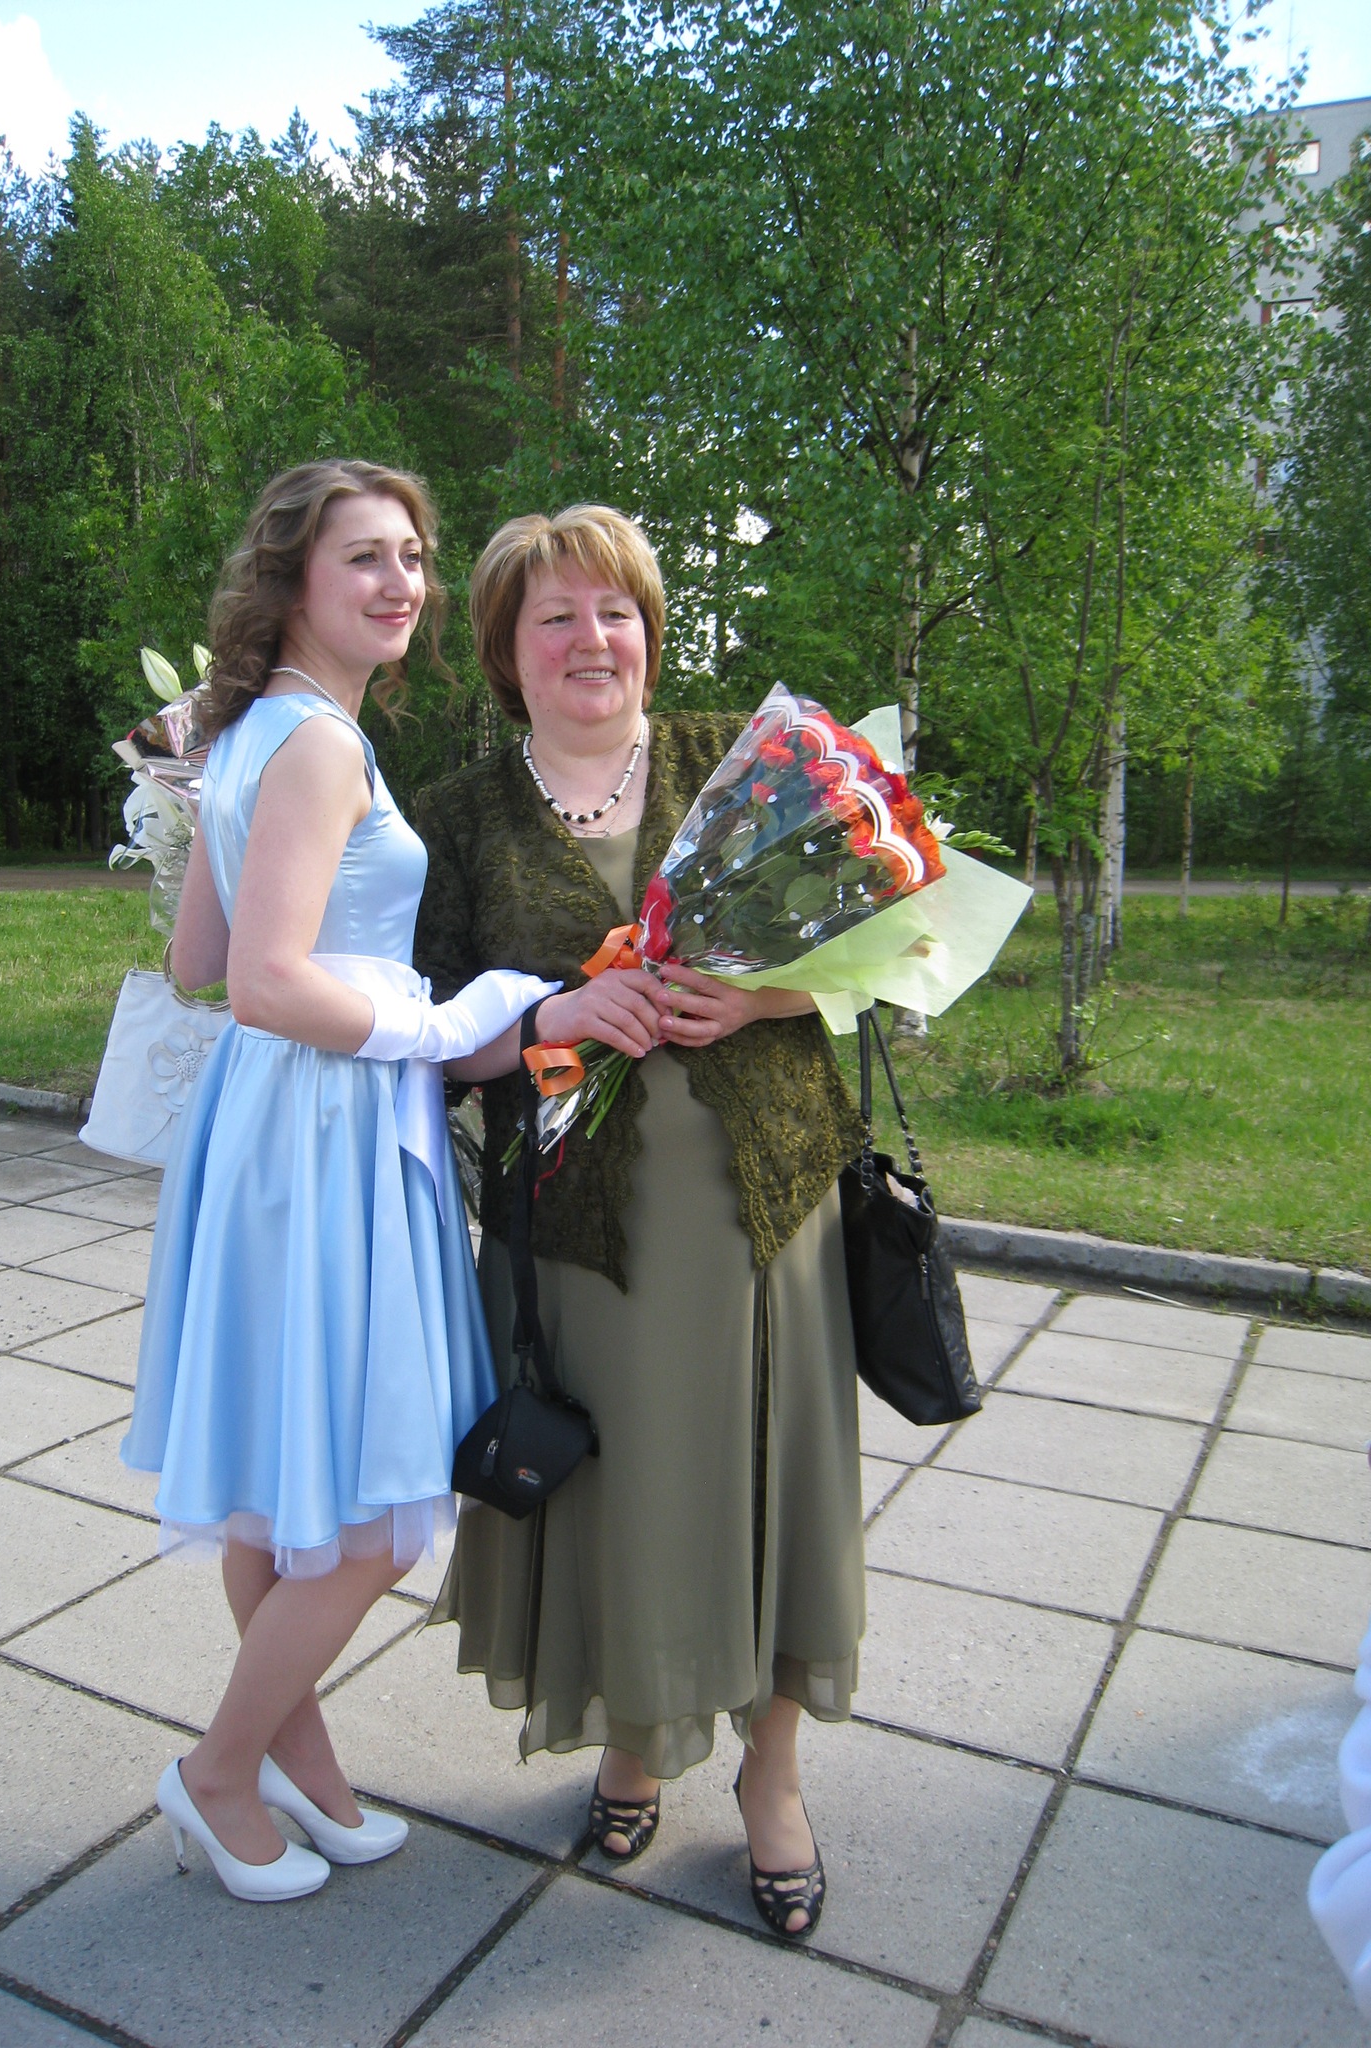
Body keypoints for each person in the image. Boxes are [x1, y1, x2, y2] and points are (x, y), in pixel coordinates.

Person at [413, 505, 866, 1939]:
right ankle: (634, 1738)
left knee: (770, 1488)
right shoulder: (456, 818)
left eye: (615, 611)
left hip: (765, 1217)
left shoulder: (747, 760)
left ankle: (771, 1778)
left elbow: (885, 949)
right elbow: (423, 1038)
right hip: (584, 1243)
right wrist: (553, 1014)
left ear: (651, 633)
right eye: (554, 617)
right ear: (509, 651)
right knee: (626, 1502)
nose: (590, 639)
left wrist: (763, 996)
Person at [120, 460, 553, 1903]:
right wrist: (438, 1023)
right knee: (370, 1517)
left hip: (273, 1132)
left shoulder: (250, 732)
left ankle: (294, 1767)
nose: (402, 582)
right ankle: (217, 1772)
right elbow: (257, 982)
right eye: (365, 555)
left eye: (414, 556)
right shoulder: (313, 745)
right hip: (326, 1134)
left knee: (277, 1487)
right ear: (293, 579)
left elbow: (194, 958)